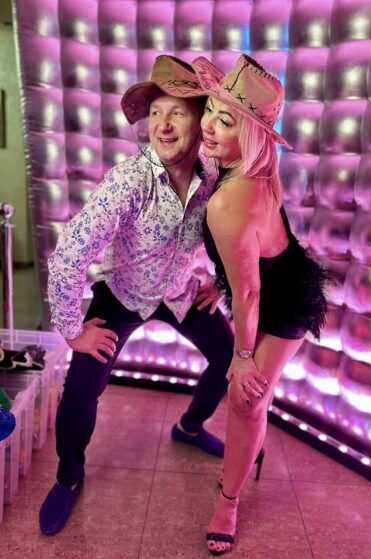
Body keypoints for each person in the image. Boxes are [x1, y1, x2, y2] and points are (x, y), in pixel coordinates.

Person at [39, 55, 234, 536]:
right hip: (122, 294)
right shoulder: (127, 182)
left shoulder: (215, 174)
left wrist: (221, 281)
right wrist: (72, 330)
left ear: (201, 120)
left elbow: (235, 232)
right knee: (81, 387)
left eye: (177, 113)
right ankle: (68, 476)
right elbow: (67, 257)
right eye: (155, 113)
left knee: (228, 356)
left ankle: (189, 427)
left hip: (180, 291)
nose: (162, 126)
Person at [191, 54, 328, 555]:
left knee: (245, 399)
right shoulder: (247, 166)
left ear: (249, 135)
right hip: (266, 284)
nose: (208, 125)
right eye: (209, 110)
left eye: (226, 121)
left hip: (284, 301)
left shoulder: (230, 197)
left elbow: (250, 290)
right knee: (252, 402)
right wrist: (219, 282)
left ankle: (228, 502)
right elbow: (245, 261)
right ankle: (252, 450)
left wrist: (243, 356)